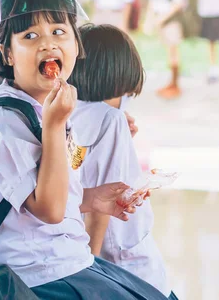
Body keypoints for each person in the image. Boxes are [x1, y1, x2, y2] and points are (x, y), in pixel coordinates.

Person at [0, 0, 168, 300]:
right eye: (30, 36)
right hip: (36, 272)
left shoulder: (44, 106)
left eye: (59, 31)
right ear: (7, 53)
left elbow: (59, 189)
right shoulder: (5, 120)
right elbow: (48, 209)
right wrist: (54, 125)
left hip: (65, 260)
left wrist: (92, 199)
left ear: (76, 45)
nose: (47, 44)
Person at [68, 24, 176, 299]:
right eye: (125, 93)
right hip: (128, 266)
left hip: (107, 257)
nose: (127, 100)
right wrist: (90, 279)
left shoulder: (70, 114)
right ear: (116, 78)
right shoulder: (111, 120)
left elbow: (81, 169)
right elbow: (101, 205)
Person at [145, 0, 188, 99]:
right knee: (169, 51)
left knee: (173, 51)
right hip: (160, 16)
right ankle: (171, 82)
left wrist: (162, 18)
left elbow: (179, 2)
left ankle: (175, 83)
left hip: (169, 19)